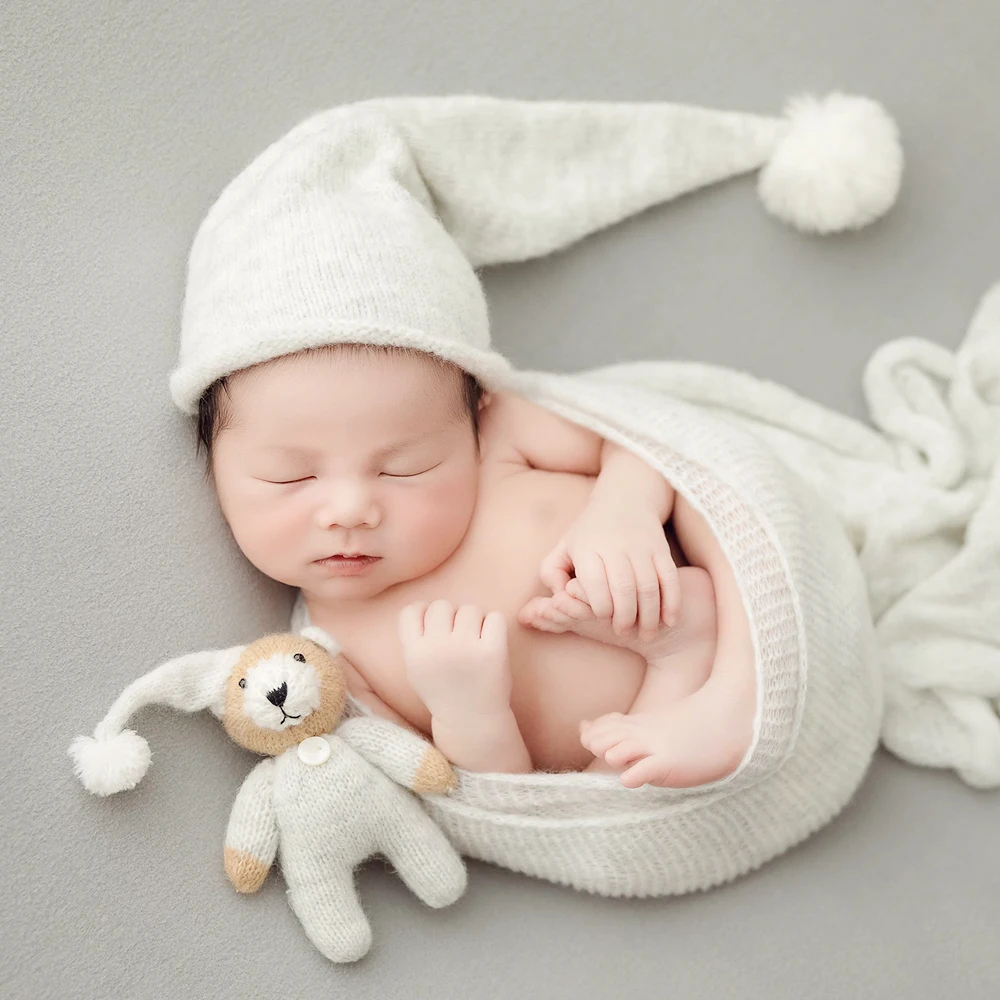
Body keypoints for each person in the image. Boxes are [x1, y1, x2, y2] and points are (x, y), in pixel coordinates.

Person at [199, 341, 753, 789]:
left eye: (405, 468)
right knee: (626, 793)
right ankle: (687, 660)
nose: (350, 511)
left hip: (725, 591)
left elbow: (645, 441)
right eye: (290, 478)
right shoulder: (330, 662)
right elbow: (483, 794)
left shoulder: (501, 437)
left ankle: (737, 685)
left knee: (714, 490)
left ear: (473, 422)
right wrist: (469, 711)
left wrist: (624, 507)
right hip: (646, 733)